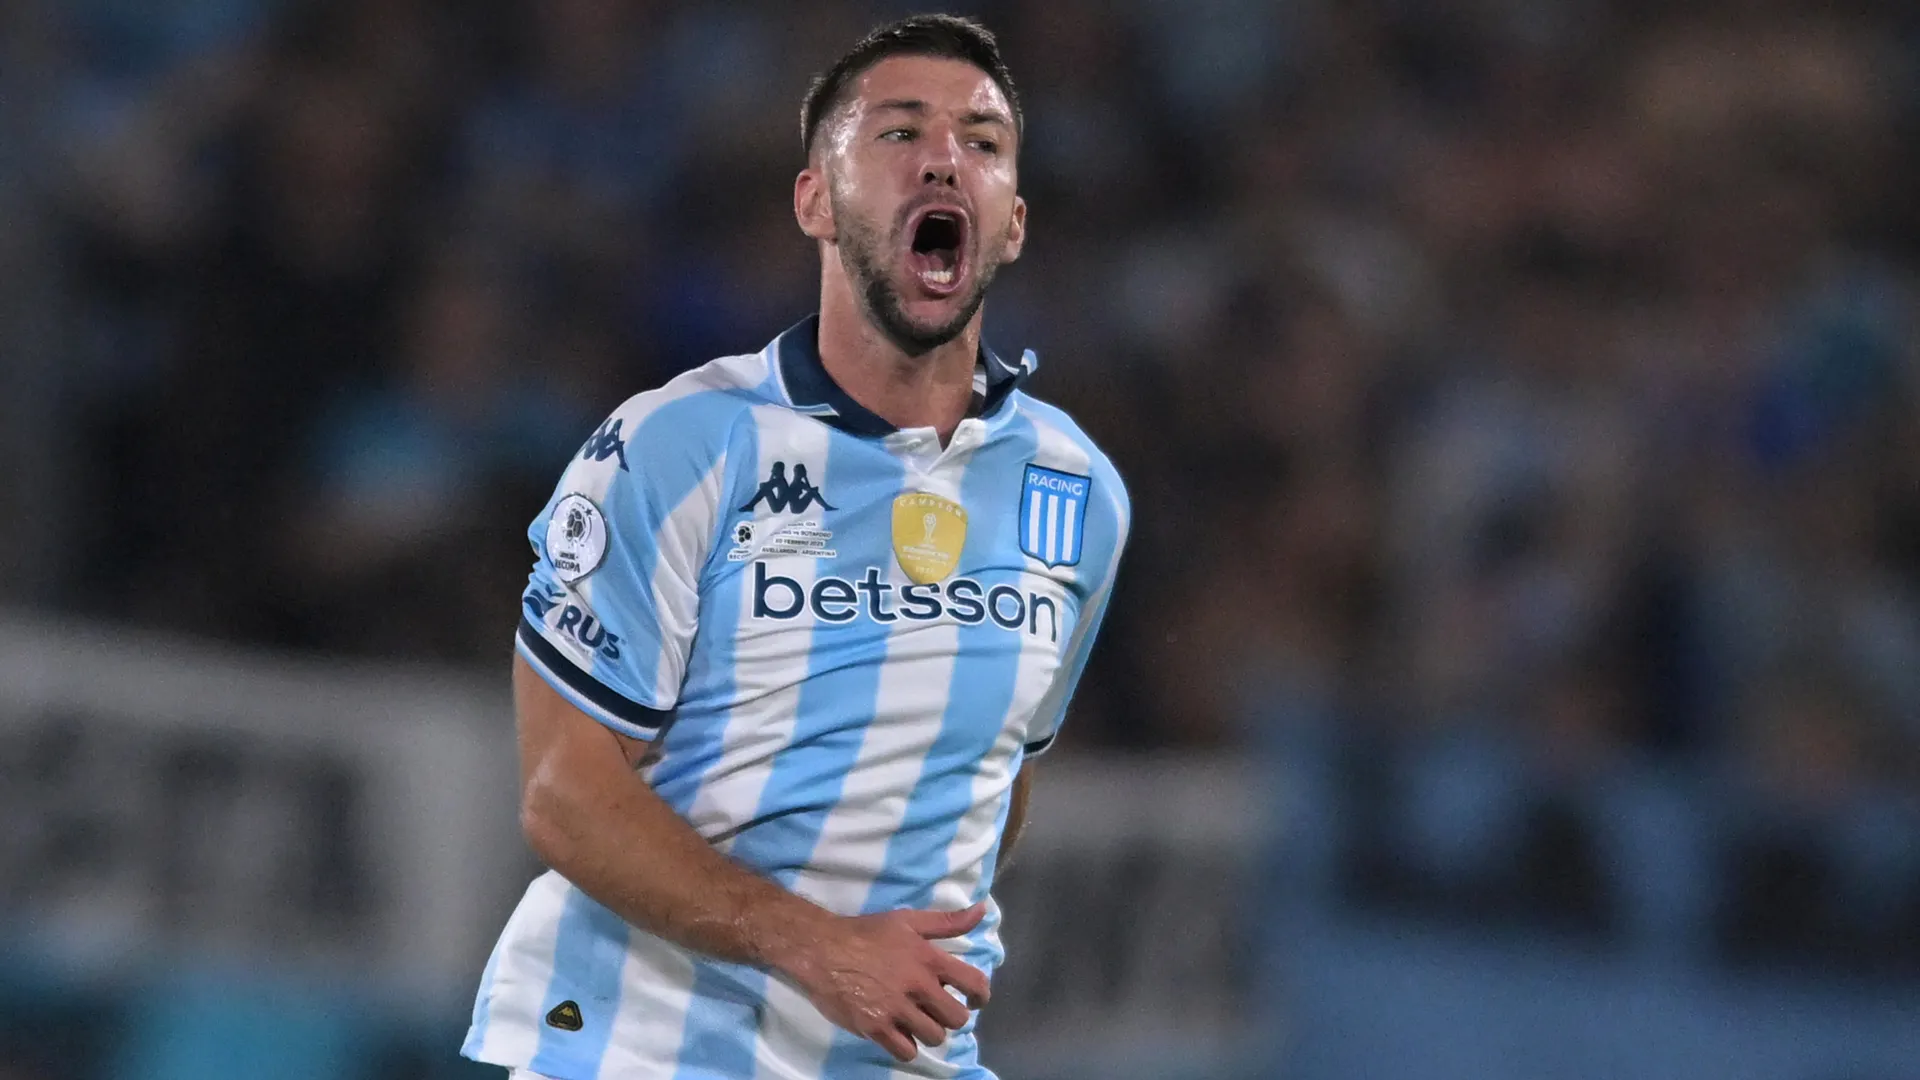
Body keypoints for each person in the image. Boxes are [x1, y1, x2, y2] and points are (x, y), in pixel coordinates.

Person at [461, 14, 1130, 1080]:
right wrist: (818, 946)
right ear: (815, 200)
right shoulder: (679, 445)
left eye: (982, 141)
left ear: (1011, 224)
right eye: (900, 132)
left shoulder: (1080, 491)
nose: (944, 159)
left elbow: (1002, 778)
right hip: (647, 1056)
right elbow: (563, 789)